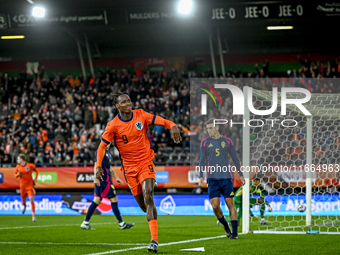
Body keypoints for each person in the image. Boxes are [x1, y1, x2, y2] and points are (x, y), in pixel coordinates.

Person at [95, 92, 181, 253]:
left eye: (129, 100)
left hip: (145, 161)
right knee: (144, 206)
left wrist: (173, 125)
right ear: (117, 106)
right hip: (128, 168)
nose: (129, 103)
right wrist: (99, 166)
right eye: (124, 102)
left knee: (149, 196)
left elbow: (160, 120)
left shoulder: (141, 114)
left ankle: (154, 241)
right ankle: (148, 192)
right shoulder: (113, 125)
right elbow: (101, 146)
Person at [199, 118, 245, 239]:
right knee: (215, 206)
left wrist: (240, 174)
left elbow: (235, 158)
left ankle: (235, 233)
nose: (209, 130)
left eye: (211, 128)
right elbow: (202, 160)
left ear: (217, 127)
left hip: (226, 177)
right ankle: (225, 225)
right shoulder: (204, 142)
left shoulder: (227, 141)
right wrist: (200, 176)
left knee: (230, 203)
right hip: (212, 178)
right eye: (207, 128)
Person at [81, 143, 134, 230]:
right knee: (114, 199)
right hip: (104, 180)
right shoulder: (100, 150)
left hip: (106, 179)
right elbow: (96, 164)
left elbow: (109, 167)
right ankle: (121, 223)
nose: (109, 142)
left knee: (97, 200)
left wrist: (116, 178)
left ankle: (85, 222)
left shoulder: (108, 152)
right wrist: (96, 178)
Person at [14, 154, 39, 222]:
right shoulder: (18, 166)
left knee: (31, 198)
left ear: (22, 159)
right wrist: (17, 175)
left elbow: (36, 170)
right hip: (22, 187)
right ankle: (25, 206)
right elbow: (15, 174)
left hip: (29, 185)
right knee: (23, 201)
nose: (17, 160)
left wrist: (36, 178)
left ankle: (33, 215)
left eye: (18, 159)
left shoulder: (30, 165)